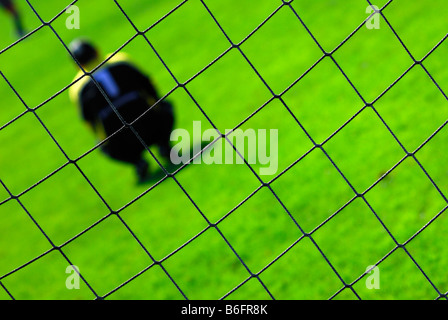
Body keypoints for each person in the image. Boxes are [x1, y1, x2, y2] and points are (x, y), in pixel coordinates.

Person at [68, 39, 175, 183]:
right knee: (165, 105)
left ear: (77, 65)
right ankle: (164, 145)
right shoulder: (120, 59)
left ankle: (137, 162)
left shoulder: (78, 87)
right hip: (152, 125)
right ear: (97, 50)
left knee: (100, 144)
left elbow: (89, 122)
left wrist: (104, 139)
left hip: (122, 143)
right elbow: (149, 86)